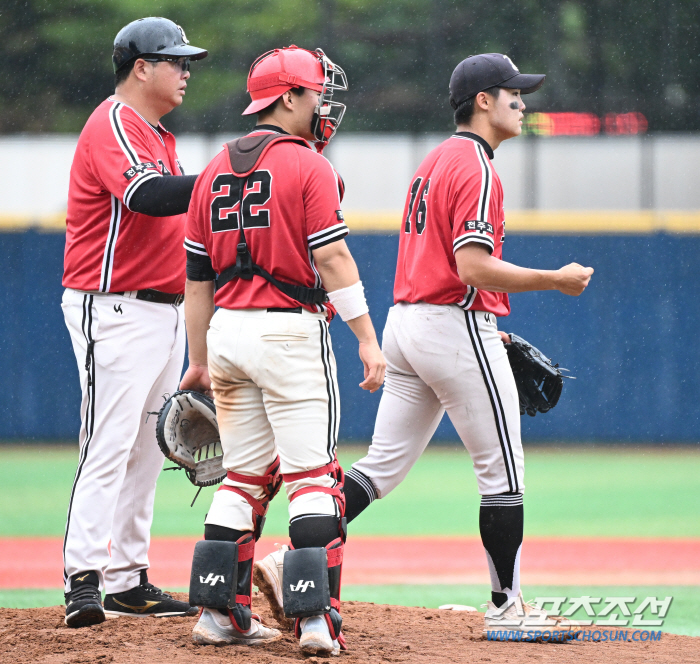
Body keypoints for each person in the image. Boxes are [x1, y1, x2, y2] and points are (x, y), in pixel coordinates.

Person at [255, 53, 593, 634]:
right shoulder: (478, 166)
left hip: (409, 324)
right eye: (514, 93)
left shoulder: (436, 160)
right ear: (483, 101)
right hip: (451, 323)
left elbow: (448, 267)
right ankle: (507, 608)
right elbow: (472, 268)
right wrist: (554, 280)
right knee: (502, 473)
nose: (523, 103)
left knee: (378, 469)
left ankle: (293, 562)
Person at [179, 45, 386, 655]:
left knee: (242, 476)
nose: (323, 103)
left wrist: (197, 360)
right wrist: (368, 339)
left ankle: (218, 614)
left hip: (227, 335)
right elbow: (332, 256)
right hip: (289, 332)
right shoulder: (308, 165)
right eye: (317, 91)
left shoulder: (212, 168)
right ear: (289, 97)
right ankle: (316, 622)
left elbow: (197, 283)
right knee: (313, 476)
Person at [61, 17, 207, 628]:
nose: (186, 72)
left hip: (162, 308)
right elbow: (145, 195)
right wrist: (227, 179)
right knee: (109, 442)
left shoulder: (158, 133)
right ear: (140, 67)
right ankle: (83, 578)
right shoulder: (114, 122)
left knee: (148, 446)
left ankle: (127, 580)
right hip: (113, 305)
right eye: (174, 61)